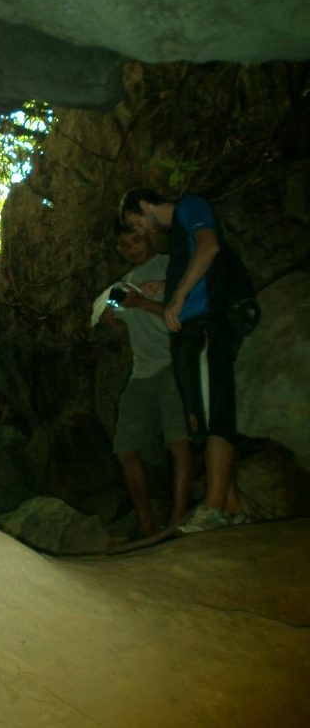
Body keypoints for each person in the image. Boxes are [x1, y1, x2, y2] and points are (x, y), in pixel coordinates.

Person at [118, 188, 248, 533]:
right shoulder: (177, 237)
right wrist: (170, 288)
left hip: (206, 324)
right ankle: (232, 506)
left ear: (145, 205)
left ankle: (213, 506)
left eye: (137, 222)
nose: (141, 232)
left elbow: (209, 247)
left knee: (213, 411)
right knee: (202, 418)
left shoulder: (190, 206)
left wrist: (177, 295)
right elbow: (197, 260)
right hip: (192, 330)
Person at [97, 224, 192, 538]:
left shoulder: (169, 266)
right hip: (141, 371)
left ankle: (178, 521)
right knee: (126, 447)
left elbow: (185, 314)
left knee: (178, 441)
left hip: (172, 364)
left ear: (149, 235)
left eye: (135, 238)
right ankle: (147, 525)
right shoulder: (123, 286)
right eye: (123, 244)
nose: (130, 248)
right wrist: (112, 323)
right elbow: (129, 330)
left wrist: (144, 303)